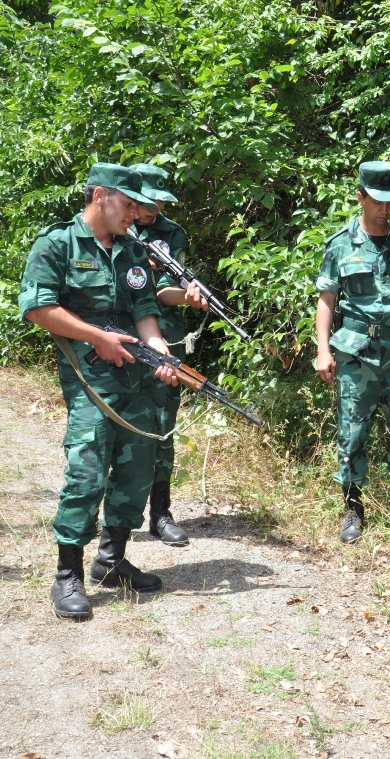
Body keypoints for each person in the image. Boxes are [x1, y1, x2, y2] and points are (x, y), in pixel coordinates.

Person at [19, 162, 180, 621]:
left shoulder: (132, 251)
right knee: (87, 470)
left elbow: (146, 310)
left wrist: (161, 353)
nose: (135, 213)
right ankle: (67, 573)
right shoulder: (57, 244)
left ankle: (111, 561)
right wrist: (97, 337)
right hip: (90, 380)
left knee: (136, 468)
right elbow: (37, 307)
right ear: (99, 196)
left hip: (137, 379)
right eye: (128, 204)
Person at [314, 161, 390, 544]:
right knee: (353, 431)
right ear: (361, 197)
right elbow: (326, 301)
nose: (386, 209)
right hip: (356, 352)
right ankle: (353, 508)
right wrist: (322, 349)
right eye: (378, 201)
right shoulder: (339, 244)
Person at [131, 163, 208, 547]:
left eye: (161, 202)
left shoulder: (170, 233)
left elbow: (164, 290)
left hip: (162, 335)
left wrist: (190, 297)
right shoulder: (111, 225)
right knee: (110, 424)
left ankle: (159, 513)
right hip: (114, 336)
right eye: (148, 201)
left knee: (162, 424)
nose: (154, 209)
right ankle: (111, 511)